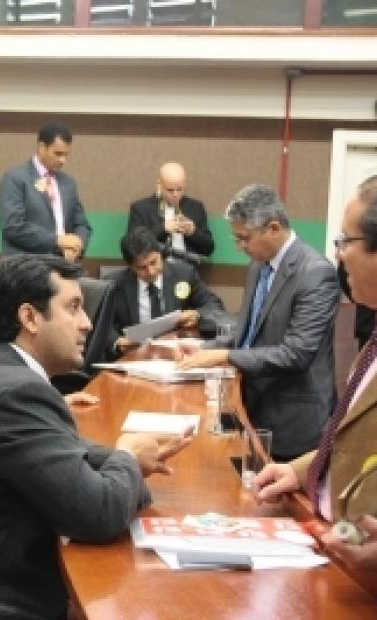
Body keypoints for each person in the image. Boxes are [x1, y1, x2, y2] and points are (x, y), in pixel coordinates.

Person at [0, 253, 192, 619]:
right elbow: (98, 516)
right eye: (74, 308)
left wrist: (119, 457)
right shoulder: (14, 393)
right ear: (30, 317)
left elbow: (58, 447)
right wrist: (127, 458)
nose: (87, 323)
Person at [178, 184, 340, 460]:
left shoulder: (315, 273)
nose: (240, 247)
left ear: (274, 228)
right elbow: (249, 332)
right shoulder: (258, 265)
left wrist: (224, 356)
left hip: (294, 419)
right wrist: (206, 349)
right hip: (253, 406)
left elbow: (296, 354)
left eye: (245, 238)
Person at [253, 177, 377, 531]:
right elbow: (355, 441)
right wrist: (299, 470)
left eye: (346, 241)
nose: (339, 253)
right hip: (324, 529)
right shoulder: (372, 345)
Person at [108, 226, 227, 356]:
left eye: (153, 262)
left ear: (160, 254)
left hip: (177, 352)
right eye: (142, 268)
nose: (151, 271)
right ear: (131, 266)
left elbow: (214, 304)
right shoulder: (114, 285)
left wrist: (196, 314)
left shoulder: (184, 274)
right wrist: (117, 342)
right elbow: (102, 326)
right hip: (135, 355)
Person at [0, 122, 92, 261]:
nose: (63, 160)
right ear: (41, 147)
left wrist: (77, 245)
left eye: (66, 155)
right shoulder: (15, 178)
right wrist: (58, 241)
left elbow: (81, 224)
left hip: (64, 263)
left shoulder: (68, 183)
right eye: (58, 154)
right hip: (26, 265)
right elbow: (13, 227)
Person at [127, 162, 214, 258]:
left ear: (184, 184)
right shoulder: (140, 209)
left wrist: (193, 232)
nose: (175, 194)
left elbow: (209, 249)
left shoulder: (196, 207)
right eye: (170, 190)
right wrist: (163, 228)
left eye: (180, 189)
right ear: (159, 185)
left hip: (189, 264)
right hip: (156, 265)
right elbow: (132, 246)